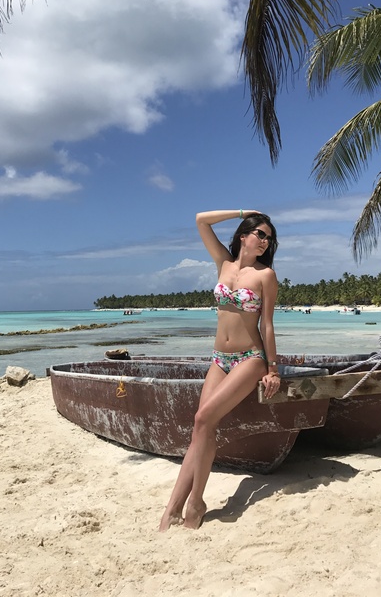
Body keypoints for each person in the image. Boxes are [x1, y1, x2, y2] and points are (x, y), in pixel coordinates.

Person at [159, 209, 280, 531]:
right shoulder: (223, 264)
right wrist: (244, 211)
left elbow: (267, 325)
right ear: (244, 235)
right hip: (218, 359)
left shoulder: (265, 276)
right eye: (261, 234)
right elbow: (200, 219)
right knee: (202, 430)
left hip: (250, 358)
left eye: (270, 238)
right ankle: (172, 508)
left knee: (201, 419)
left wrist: (273, 369)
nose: (266, 242)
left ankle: (196, 501)